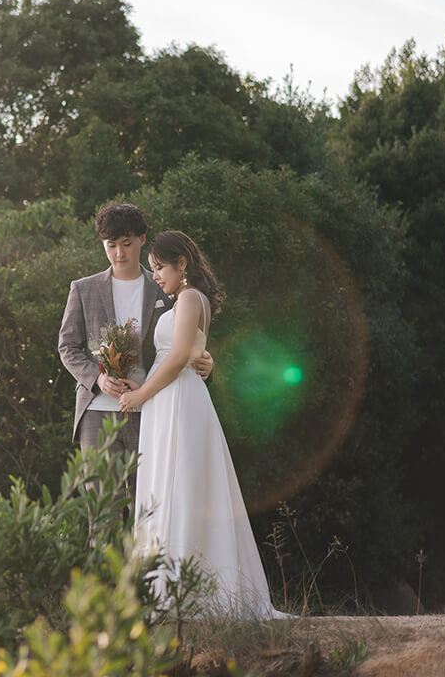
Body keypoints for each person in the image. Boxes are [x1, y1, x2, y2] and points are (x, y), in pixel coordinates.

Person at [118, 230, 286, 619]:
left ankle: (185, 593)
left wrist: (141, 395)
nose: (156, 275)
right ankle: (167, 588)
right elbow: (193, 353)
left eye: (160, 268)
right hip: (172, 398)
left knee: (179, 484)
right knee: (172, 482)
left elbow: (178, 357)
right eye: (154, 268)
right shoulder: (187, 300)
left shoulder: (191, 298)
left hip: (176, 399)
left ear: (183, 264)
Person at [58, 205, 212, 502]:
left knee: (150, 508)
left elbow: (183, 341)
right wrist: (98, 380)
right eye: (111, 245)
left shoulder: (165, 288)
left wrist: (207, 360)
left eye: (126, 244)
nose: (119, 253)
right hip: (97, 412)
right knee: (102, 510)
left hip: (153, 408)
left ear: (142, 239)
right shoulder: (83, 289)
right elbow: (67, 347)